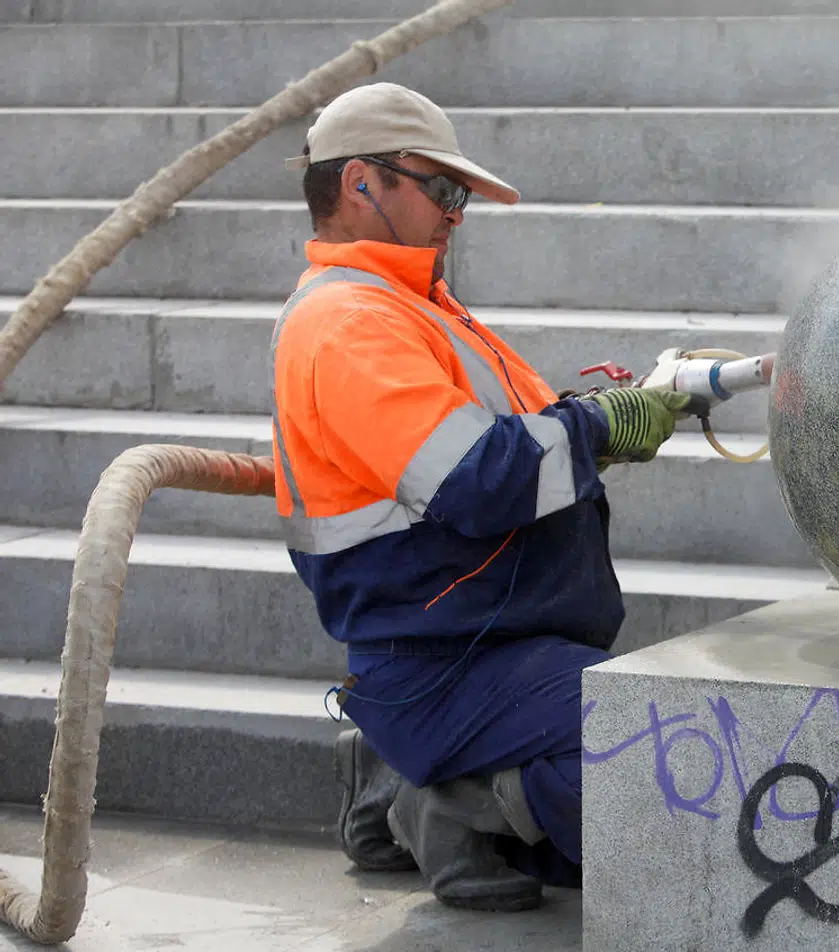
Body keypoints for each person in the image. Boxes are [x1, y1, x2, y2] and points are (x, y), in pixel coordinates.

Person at [271, 81, 693, 911]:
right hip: (447, 664)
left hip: (489, 646)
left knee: (652, 780)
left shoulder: (417, 308)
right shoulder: (352, 323)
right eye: (443, 189)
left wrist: (598, 425)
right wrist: (600, 428)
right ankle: (443, 799)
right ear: (362, 183)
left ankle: (414, 774)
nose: (457, 212)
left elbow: (506, 457)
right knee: (665, 769)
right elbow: (475, 478)